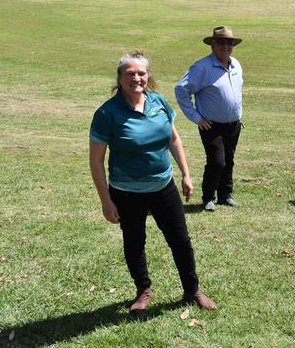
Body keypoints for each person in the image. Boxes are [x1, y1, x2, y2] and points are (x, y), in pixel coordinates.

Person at [89, 50, 216, 313]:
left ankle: (193, 290)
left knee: (180, 240)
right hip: (126, 192)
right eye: (130, 73)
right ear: (120, 77)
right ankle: (143, 290)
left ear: (148, 76)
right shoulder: (107, 113)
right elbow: (96, 161)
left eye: (141, 73)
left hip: (163, 187)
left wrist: (186, 174)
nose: (137, 78)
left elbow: (173, 138)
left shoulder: (158, 102)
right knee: (134, 242)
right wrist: (106, 201)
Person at [175, 26, 244, 212]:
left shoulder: (235, 64)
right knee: (217, 161)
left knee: (228, 160)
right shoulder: (202, 67)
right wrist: (196, 117)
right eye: (221, 42)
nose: (225, 46)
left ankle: (225, 195)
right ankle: (208, 197)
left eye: (229, 43)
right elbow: (181, 89)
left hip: (233, 124)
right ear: (212, 45)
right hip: (211, 125)